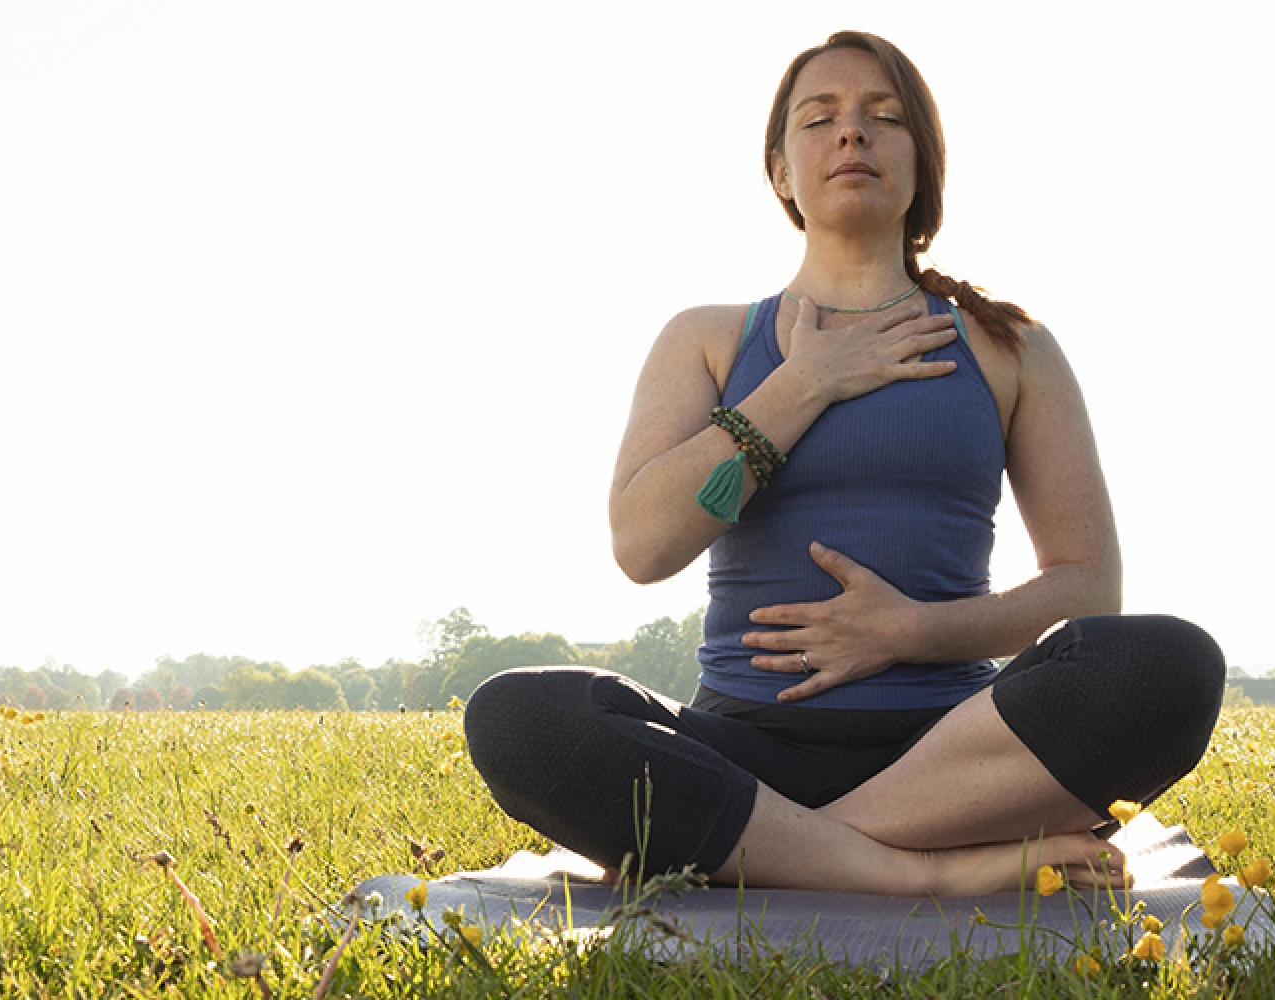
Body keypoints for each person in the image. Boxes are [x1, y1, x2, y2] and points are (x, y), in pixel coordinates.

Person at [462, 31, 1223, 896]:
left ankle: (783, 853)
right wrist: (806, 383)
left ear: (921, 162)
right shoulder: (709, 340)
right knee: (524, 717)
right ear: (782, 171)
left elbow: (1088, 585)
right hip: (746, 752)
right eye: (819, 118)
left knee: (1170, 664)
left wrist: (913, 631)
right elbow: (643, 546)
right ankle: (920, 874)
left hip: (955, 758)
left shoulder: (1010, 347)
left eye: (882, 117)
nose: (851, 134)